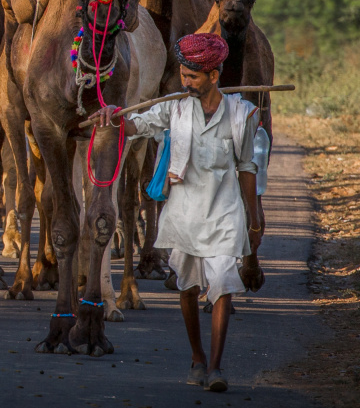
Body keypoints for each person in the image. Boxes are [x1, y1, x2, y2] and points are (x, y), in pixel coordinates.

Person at [92, 32, 263, 393]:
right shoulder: (176, 107)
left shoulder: (241, 114)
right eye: (183, 76)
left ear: (214, 76)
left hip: (225, 210)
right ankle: (197, 357)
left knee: (221, 286)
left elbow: (247, 166)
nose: (185, 83)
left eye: (193, 77)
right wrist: (113, 117)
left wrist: (254, 216)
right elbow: (139, 125)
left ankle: (215, 367)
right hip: (184, 211)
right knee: (188, 288)